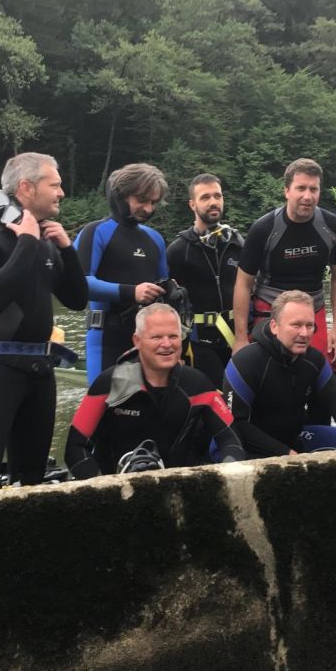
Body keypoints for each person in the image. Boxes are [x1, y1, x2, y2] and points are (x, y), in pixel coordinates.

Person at [0, 152, 87, 486]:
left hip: (39, 369)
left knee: (32, 479)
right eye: (54, 185)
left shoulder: (44, 239)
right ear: (27, 187)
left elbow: (77, 300)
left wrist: (67, 250)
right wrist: (26, 241)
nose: (62, 193)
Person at [64, 303, 245, 475]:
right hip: (118, 485)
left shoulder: (198, 385)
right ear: (137, 341)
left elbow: (231, 441)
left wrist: (227, 472)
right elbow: (75, 448)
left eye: (173, 336)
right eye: (156, 337)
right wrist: (104, 486)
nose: (166, 344)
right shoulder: (109, 384)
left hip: (180, 484)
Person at [224, 290, 336, 458]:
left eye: (309, 325)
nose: (304, 333)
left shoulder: (314, 360)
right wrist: (285, 453)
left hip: (292, 439)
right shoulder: (246, 361)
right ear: (274, 326)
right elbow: (235, 424)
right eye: (296, 325)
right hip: (244, 444)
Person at [232, 159, 336, 366]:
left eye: (313, 189)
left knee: (318, 370)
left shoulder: (331, 226)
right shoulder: (263, 229)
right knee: (270, 372)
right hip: (271, 309)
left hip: (313, 308)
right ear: (287, 191)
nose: (307, 196)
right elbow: (243, 283)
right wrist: (240, 338)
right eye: (301, 188)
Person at [75, 163, 169, 383]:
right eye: (142, 200)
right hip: (106, 339)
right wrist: (131, 292)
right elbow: (80, 284)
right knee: (104, 403)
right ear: (120, 196)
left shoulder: (155, 239)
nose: (148, 209)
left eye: (154, 202)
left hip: (148, 340)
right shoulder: (95, 232)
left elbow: (165, 288)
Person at [166, 173, 244, 388]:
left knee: (239, 400)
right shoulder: (179, 250)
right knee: (210, 399)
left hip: (237, 340)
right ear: (192, 204)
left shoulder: (236, 244)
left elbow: (250, 290)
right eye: (205, 197)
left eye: (217, 196)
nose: (213, 202)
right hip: (199, 343)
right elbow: (167, 303)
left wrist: (245, 336)